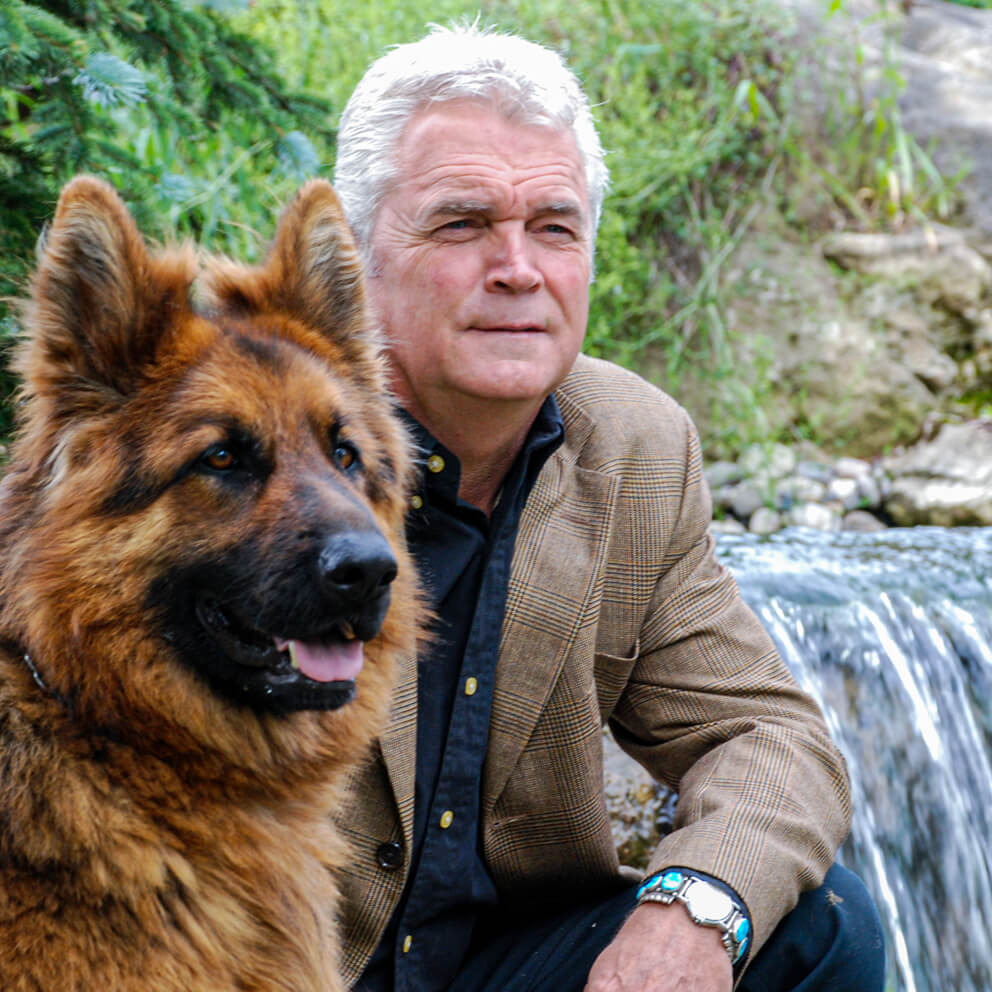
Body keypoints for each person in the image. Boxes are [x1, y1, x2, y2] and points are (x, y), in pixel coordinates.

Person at [330, 23, 885, 992]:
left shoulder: (632, 445)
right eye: (461, 223)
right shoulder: (244, 447)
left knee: (822, 923)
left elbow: (766, 738)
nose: (518, 267)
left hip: (496, 964)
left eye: (553, 225)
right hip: (264, 958)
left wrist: (695, 906)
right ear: (352, 254)